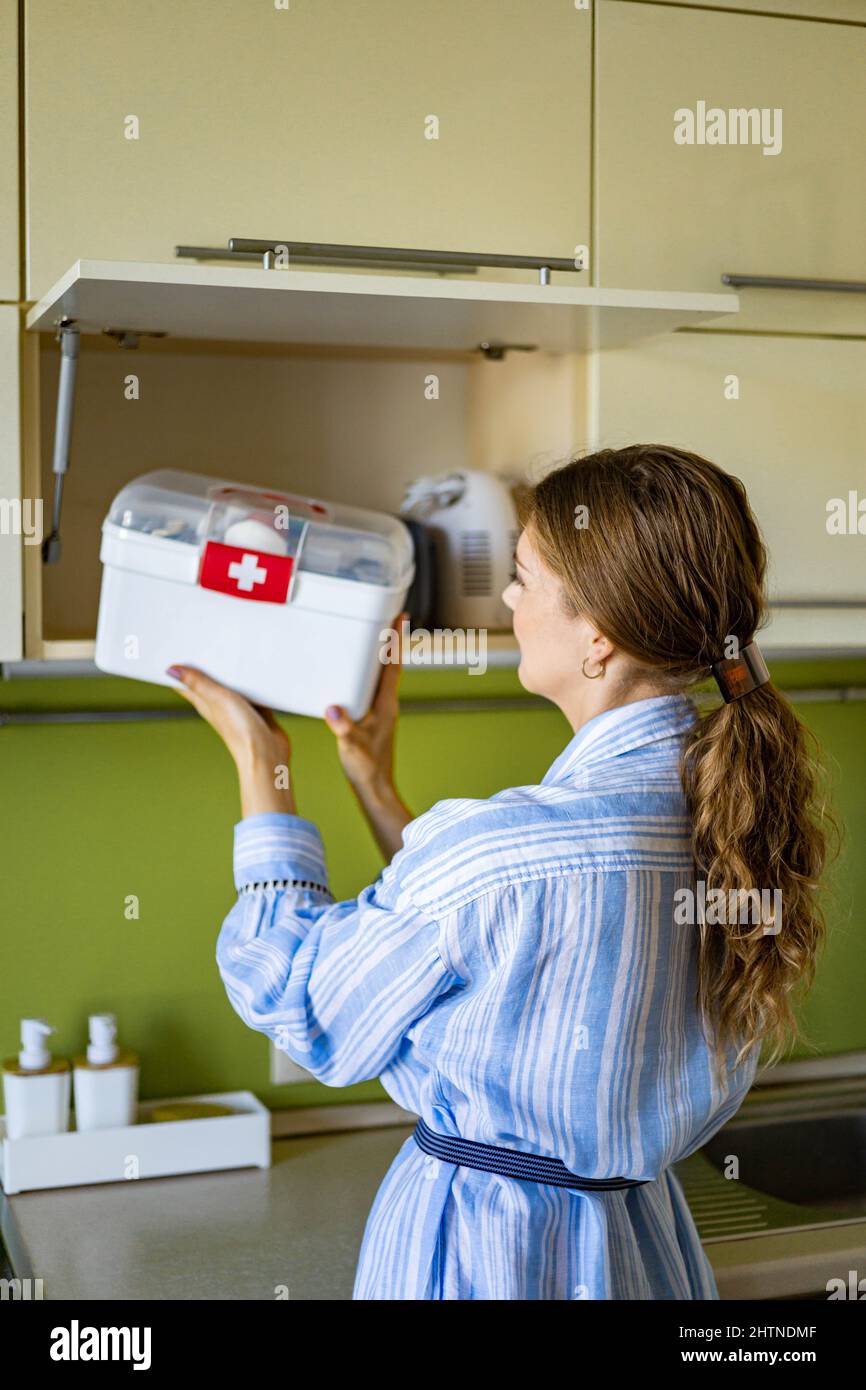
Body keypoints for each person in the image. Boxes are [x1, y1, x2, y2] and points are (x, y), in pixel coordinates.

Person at [168, 444, 830, 1300]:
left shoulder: (505, 853)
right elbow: (500, 947)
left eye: (523, 576)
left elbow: (297, 1002)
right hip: (641, 1253)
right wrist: (373, 781)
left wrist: (265, 765)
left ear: (598, 634)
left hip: (486, 1260)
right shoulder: (733, 823)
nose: (510, 600)